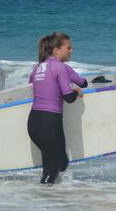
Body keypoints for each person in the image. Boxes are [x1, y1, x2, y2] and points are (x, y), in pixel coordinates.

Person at [27, 32, 88, 184]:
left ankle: (54, 202)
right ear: (56, 49)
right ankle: (45, 204)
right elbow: (72, 94)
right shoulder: (61, 68)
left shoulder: (37, 68)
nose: (71, 50)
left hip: (34, 122)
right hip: (50, 123)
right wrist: (76, 91)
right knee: (51, 172)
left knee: (61, 163)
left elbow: (29, 87)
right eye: (68, 47)